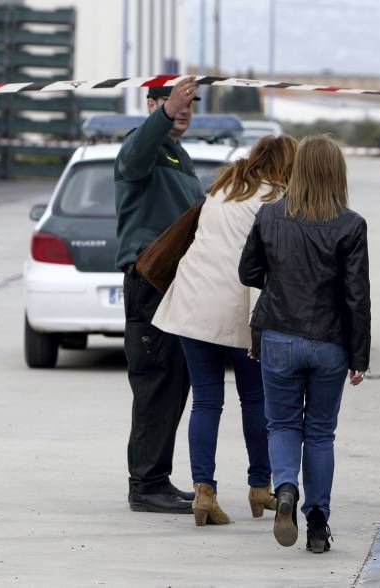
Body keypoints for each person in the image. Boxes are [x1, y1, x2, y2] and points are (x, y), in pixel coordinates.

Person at [152, 135, 299, 526]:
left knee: (205, 401)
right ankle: (258, 487)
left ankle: (204, 491)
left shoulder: (223, 188)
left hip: (193, 302)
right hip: (237, 309)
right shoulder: (275, 199)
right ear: (286, 165)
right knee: (256, 399)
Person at [239, 135, 370, 554]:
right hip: (329, 342)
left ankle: (285, 490)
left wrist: (281, 280)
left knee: (281, 424)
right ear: (338, 174)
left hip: (277, 335)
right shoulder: (351, 225)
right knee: (320, 433)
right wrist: (360, 356)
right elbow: (357, 298)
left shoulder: (269, 216)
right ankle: (317, 521)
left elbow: (248, 271)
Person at [115, 77, 202, 514]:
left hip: (175, 285)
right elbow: (132, 161)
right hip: (150, 284)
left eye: (190, 103)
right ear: (151, 103)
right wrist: (164, 116)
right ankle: (145, 484)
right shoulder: (142, 145)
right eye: (173, 102)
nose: (184, 108)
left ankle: (157, 478)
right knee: (155, 382)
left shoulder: (180, 157)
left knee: (173, 382)